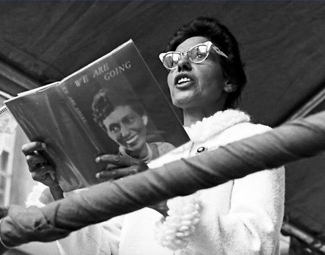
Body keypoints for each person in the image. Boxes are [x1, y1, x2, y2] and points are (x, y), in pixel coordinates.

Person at [23, 16, 285, 255]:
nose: (181, 62)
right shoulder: (150, 161)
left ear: (229, 80)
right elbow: (104, 250)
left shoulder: (255, 141)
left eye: (199, 54)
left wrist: (160, 196)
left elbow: (256, 245)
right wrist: (58, 189)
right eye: (172, 61)